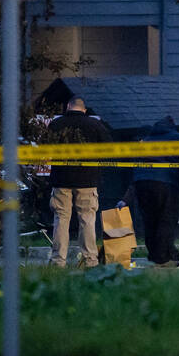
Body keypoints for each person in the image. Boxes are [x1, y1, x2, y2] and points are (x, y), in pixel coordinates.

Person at [119, 116, 179, 267]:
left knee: (150, 221)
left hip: (141, 184)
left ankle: (156, 255)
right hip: (165, 183)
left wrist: (126, 198)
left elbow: (136, 168)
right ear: (172, 127)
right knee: (166, 220)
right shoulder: (177, 138)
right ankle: (162, 258)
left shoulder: (146, 141)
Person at [45, 97, 112, 268]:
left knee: (61, 219)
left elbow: (44, 148)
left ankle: (58, 261)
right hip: (87, 179)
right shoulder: (94, 124)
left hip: (61, 179)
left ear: (68, 107)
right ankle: (90, 260)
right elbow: (109, 148)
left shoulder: (56, 124)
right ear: (84, 109)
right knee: (87, 220)